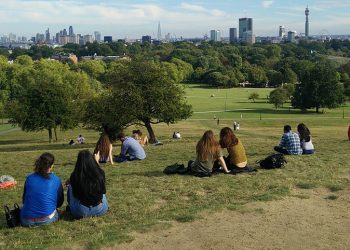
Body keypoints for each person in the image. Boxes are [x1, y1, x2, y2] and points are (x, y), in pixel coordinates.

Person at [20, 153, 64, 227]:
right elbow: (59, 202)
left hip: (26, 220)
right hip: (46, 219)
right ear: (51, 165)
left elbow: (24, 200)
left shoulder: (29, 178)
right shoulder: (56, 179)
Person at [66, 150, 108, 218]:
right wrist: (96, 161)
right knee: (102, 192)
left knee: (70, 186)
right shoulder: (100, 173)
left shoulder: (75, 176)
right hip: (100, 210)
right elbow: (103, 191)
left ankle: (70, 206)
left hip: (80, 211)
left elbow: (76, 194)